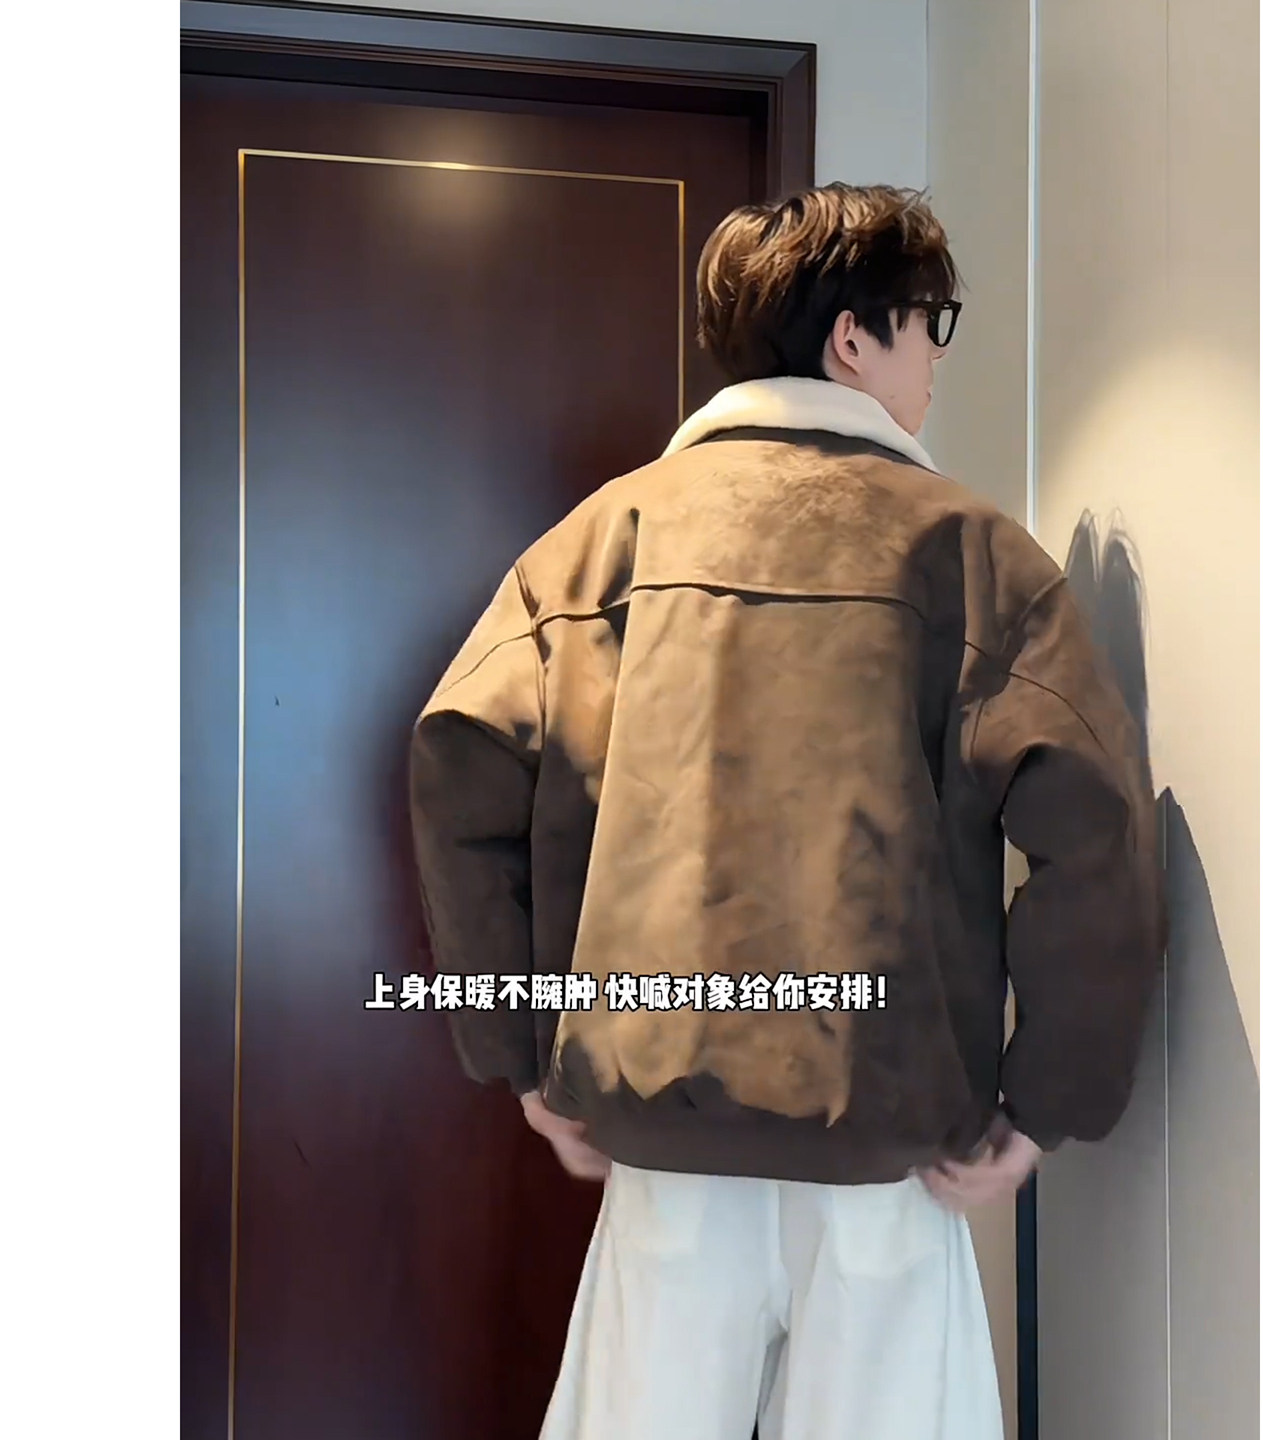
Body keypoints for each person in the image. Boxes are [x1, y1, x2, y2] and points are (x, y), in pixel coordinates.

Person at [409, 182, 1164, 1440]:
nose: (937, 359)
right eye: (931, 323)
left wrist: (524, 1058)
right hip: (889, 1164)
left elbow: (462, 776)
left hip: (663, 1147)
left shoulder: (595, 546)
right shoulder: (972, 553)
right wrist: (1047, 1100)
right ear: (853, 339)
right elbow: (1092, 828)